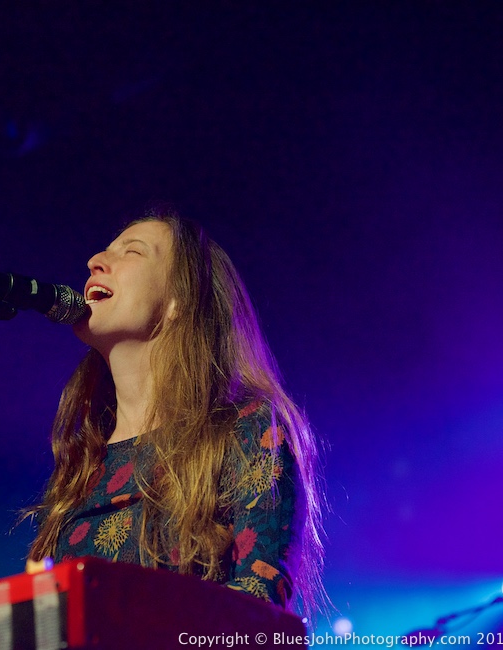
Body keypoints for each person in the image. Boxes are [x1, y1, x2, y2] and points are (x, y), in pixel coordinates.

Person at [26, 209, 326, 620]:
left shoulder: (247, 426)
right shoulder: (83, 462)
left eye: (132, 252)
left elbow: (259, 600)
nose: (95, 260)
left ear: (178, 302)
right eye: (105, 251)